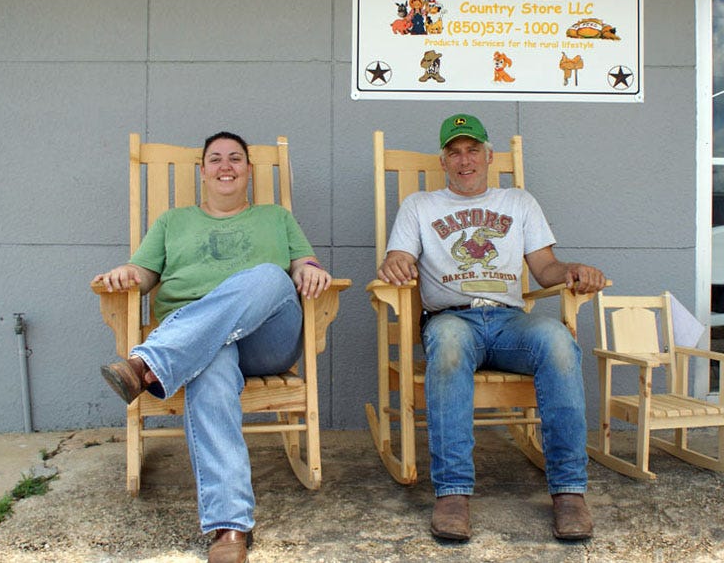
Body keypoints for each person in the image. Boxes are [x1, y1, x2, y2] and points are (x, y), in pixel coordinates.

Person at [95, 131, 331, 563]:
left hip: (266, 340)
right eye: (216, 159)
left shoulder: (275, 217)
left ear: (248, 170)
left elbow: (301, 264)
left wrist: (311, 269)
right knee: (212, 362)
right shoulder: (171, 221)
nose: (226, 166)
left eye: (235, 158)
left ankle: (148, 363)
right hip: (201, 346)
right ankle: (230, 528)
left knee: (270, 276)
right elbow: (144, 273)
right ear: (202, 171)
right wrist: (125, 272)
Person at [378, 114, 606, 542]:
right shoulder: (419, 206)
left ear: (489, 156)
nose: (465, 160)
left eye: (472, 150)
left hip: (509, 322)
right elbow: (400, 258)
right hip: (451, 319)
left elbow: (544, 270)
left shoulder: (519, 202)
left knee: (558, 342)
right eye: (454, 152)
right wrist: (396, 261)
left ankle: (570, 491)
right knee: (446, 348)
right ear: (443, 160)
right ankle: (453, 493)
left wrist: (573, 269)